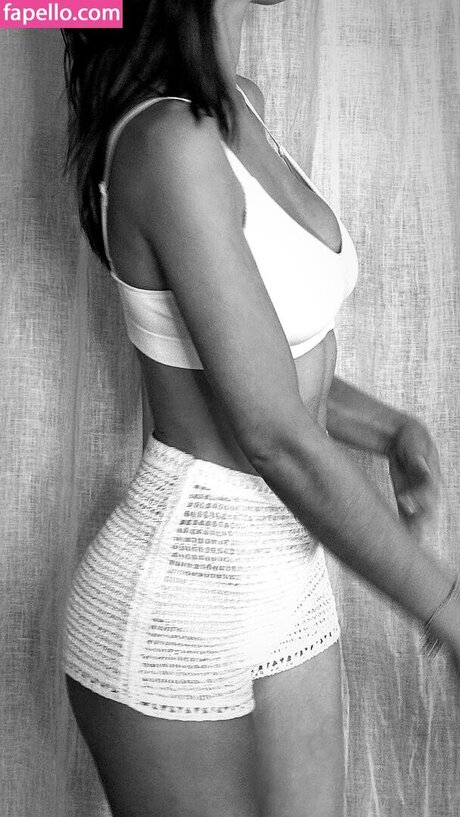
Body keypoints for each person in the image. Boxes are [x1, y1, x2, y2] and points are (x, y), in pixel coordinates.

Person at [60, 2, 460, 816]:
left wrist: (394, 432)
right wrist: (448, 609)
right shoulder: (166, 141)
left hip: (289, 582)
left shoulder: (239, 102)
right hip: (177, 606)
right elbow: (273, 433)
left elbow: (266, 369)